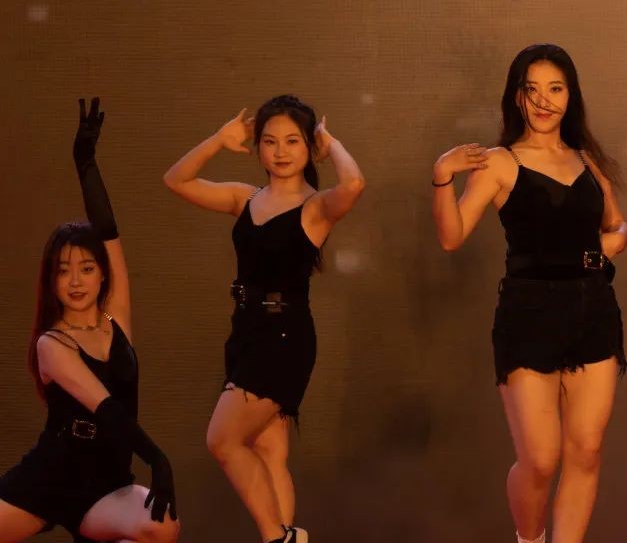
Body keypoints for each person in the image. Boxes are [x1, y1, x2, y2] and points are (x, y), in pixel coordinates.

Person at [432, 44, 627, 543]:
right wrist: (441, 178)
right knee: (541, 458)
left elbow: (617, 226)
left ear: (571, 95)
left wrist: (605, 248)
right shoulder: (499, 162)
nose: (544, 101)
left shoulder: (586, 160)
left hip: (593, 311)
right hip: (528, 314)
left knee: (586, 451)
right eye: (532, 89)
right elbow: (452, 237)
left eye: (555, 89)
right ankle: (530, 539)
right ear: (517, 97)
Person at [164, 95, 363, 543]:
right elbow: (176, 180)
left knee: (223, 440)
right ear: (258, 148)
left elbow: (353, 185)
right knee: (269, 451)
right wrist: (218, 140)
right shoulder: (245, 198)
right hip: (247, 331)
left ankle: (278, 538)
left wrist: (332, 145)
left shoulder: (315, 207)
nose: (280, 151)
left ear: (309, 147)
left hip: (285, 336)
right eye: (270, 141)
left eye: (293, 141)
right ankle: (285, 536)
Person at [0, 98, 179, 543]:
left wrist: (86, 164)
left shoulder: (116, 319)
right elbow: (107, 409)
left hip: (106, 484)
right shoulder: (52, 344)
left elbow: (108, 232)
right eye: (64, 270)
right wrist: (157, 458)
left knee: (162, 527)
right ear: (51, 279)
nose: (76, 280)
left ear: (102, 274)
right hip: (50, 475)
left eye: (86, 268)